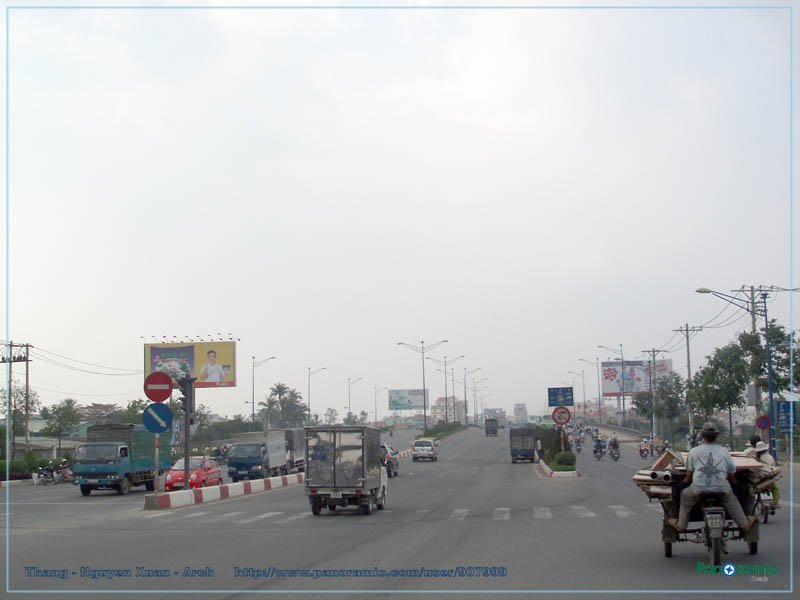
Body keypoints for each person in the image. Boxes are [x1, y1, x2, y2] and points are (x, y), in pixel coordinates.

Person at [668, 422, 756, 533]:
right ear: (716, 436)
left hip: (698, 489)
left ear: (702, 435)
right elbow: (731, 473)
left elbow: (689, 475)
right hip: (722, 489)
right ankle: (744, 524)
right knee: (732, 500)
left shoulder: (694, 452)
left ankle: (681, 525)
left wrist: (685, 482)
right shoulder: (724, 452)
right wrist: (733, 482)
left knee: (685, 496)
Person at [753, 441, 780, 508]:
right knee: (775, 487)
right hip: (769, 476)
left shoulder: (758, 458)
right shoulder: (770, 457)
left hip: (763, 477)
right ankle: (775, 502)